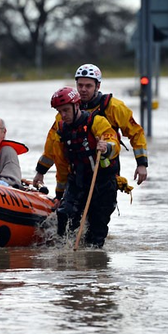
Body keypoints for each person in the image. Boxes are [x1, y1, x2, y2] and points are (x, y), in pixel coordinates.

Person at [33, 63, 148, 194]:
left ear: (98, 86)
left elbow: (136, 133)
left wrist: (141, 164)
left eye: (88, 86)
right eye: (80, 85)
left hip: (105, 170)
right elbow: (53, 145)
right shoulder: (66, 110)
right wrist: (40, 171)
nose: (83, 90)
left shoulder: (114, 107)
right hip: (77, 172)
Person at [49, 87, 120, 248]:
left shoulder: (97, 121)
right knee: (64, 215)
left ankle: (93, 262)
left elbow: (113, 140)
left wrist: (107, 147)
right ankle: (64, 252)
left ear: (76, 106)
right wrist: (59, 195)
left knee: (96, 231)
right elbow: (61, 165)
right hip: (77, 181)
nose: (63, 115)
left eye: (66, 110)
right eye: (60, 112)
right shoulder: (60, 131)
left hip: (101, 181)